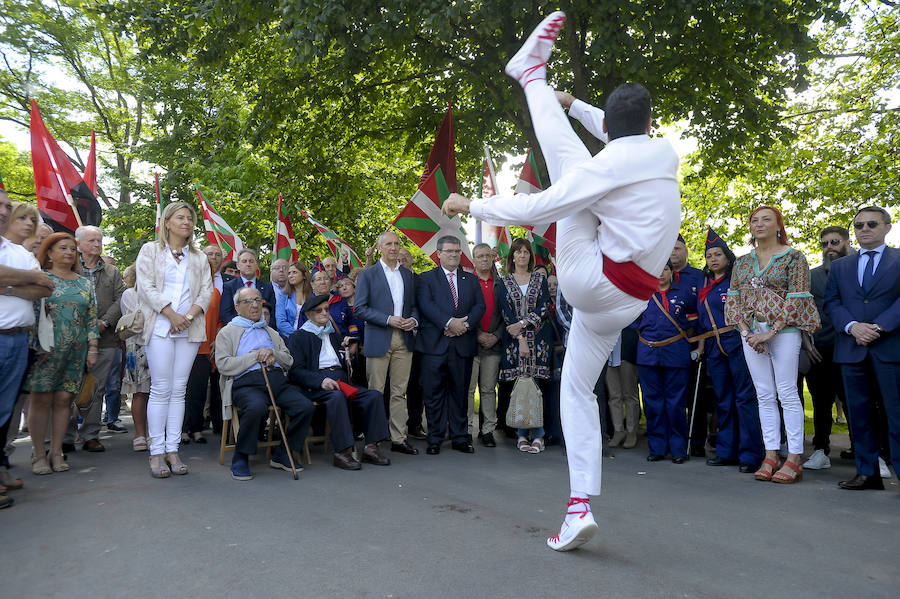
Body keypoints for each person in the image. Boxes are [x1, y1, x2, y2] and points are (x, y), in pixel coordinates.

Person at [441, 11, 681, 550]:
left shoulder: (603, 169)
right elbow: (615, 129)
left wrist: (471, 203)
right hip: (628, 302)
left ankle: (529, 76)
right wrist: (573, 106)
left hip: (590, 284)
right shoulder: (663, 152)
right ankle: (578, 506)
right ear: (648, 123)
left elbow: (541, 204)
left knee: (569, 169)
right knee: (576, 389)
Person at [725, 206, 820, 484]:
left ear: (778, 225)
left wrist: (771, 332)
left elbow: (799, 297)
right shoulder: (742, 262)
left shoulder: (794, 257)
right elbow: (733, 301)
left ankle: (794, 458)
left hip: (785, 330)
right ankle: (770, 454)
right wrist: (748, 333)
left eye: (766, 219)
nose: (759, 224)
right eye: (754, 220)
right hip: (751, 333)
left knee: (787, 392)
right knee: (764, 394)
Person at [136, 201, 213, 478]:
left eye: (190, 219)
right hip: (159, 327)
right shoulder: (150, 251)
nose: (187, 222)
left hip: (188, 329)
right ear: (167, 222)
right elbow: (145, 287)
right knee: (161, 388)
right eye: (180, 218)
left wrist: (188, 317)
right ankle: (156, 453)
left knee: (180, 389)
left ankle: (173, 449)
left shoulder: (199, 257)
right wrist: (171, 314)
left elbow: (206, 291)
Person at [825, 206, 899, 490]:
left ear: (887, 228)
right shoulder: (842, 266)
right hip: (851, 348)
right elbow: (831, 302)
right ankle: (867, 473)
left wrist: (879, 327)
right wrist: (853, 327)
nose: (864, 229)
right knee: (859, 415)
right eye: (859, 225)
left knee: (896, 413)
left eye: (871, 224)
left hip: (889, 347)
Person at [216, 286, 315, 480]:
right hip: (246, 383)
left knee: (305, 406)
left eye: (258, 300)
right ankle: (241, 457)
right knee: (255, 407)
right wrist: (254, 357)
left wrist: (272, 353)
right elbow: (223, 365)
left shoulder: (270, 331)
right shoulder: (227, 332)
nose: (255, 305)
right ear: (237, 307)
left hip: (276, 379)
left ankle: (283, 454)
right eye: (248, 302)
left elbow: (289, 360)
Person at [287, 294, 391, 470]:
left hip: (341, 380)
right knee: (336, 398)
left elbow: (346, 365)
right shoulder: (299, 336)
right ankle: (342, 452)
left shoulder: (334, 334)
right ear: (309, 314)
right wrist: (321, 381)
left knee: (373, 396)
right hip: (317, 384)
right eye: (319, 310)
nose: (324, 313)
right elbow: (296, 371)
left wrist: (348, 357)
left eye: (327, 309)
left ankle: (371, 447)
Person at [25, 233, 99, 474]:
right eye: (62, 248)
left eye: (71, 249)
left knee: (64, 399)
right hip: (46, 350)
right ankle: (38, 454)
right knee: (41, 398)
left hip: (76, 350)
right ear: (48, 253)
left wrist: (93, 348)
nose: (68, 252)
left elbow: (91, 318)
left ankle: (57, 452)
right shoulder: (40, 279)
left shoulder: (84, 283)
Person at [695, 228, 763, 472]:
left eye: (717, 254)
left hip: (738, 343)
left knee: (745, 399)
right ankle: (727, 451)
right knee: (723, 401)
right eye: (709, 255)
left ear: (727, 257)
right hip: (714, 348)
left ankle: (750, 455)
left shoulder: (738, 281)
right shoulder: (704, 285)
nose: (713, 259)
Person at [0, 193, 53, 506]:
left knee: (5, 410)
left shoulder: (15, 252)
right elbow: (34, 282)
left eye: (7, 206)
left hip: (18, 339)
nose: (4, 211)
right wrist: (27, 281)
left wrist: (7, 285)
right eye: (3, 206)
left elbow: (45, 286)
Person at [416, 235, 485, 455]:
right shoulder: (426, 279)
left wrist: (463, 325)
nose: (454, 254)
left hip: (462, 345)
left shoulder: (471, 280)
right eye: (449, 251)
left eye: (457, 251)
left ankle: (460, 437)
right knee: (434, 394)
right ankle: (435, 438)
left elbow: (479, 307)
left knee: (460, 393)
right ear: (439, 254)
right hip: (434, 346)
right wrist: (448, 323)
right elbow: (426, 305)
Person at [354, 231, 420, 456]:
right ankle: (372, 441)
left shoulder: (408, 275)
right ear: (380, 247)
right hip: (379, 337)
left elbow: (414, 306)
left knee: (399, 392)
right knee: (375, 392)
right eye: (389, 244)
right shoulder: (368, 275)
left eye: (397, 244)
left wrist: (414, 319)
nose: (393, 248)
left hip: (404, 339)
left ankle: (398, 439)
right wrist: (387, 319)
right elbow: (359, 308)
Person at [631, 262, 696, 463]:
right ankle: (657, 447)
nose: (661, 273)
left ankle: (678, 449)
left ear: (671, 272)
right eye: (657, 269)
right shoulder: (642, 296)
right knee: (652, 403)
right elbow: (634, 323)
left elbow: (693, 323)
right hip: (648, 355)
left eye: (665, 269)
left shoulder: (685, 293)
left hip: (675, 353)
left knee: (676, 403)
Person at [68, 225, 125, 450]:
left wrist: (104, 323)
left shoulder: (112, 272)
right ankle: (66, 435)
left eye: (99, 240)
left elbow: (121, 299)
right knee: (70, 387)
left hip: (106, 338)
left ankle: (91, 434)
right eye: (91, 240)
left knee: (97, 388)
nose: (97, 244)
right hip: (73, 338)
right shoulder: (69, 266)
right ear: (79, 244)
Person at [495, 238, 553, 454]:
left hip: (539, 341)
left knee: (536, 388)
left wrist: (523, 323)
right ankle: (521, 434)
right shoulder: (504, 281)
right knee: (520, 388)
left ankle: (538, 435)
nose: (522, 256)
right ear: (512, 256)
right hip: (514, 342)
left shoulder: (539, 279)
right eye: (518, 252)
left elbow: (544, 307)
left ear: (530, 256)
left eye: (526, 252)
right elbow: (505, 312)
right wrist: (520, 338)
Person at [803, 225, 851, 470]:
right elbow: (799, 311)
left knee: (855, 403)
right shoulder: (812, 276)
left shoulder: (859, 270)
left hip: (853, 349)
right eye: (824, 244)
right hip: (820, 349)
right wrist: (806, 342)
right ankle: (820, 450)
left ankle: (870, 454)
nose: (829, 247)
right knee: (821, 403)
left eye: (835, 242)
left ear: (846, 241)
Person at [184, 245, 224, 444]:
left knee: (199, 389)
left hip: (206, 346)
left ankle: (197, 428)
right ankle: (182, 430)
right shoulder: (187, 287)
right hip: (186, 342)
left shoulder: (216, 292)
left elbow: (218, 319)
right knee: (183, 389)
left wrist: (218, 335)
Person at [467, 243, 504, 447]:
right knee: (469, 389)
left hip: (494, 345)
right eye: (480, 256)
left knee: (489, 390)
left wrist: (496, 336)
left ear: (492, 259)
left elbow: (505, 315)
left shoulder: (501, 284)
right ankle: (467, 429)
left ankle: (488, 430)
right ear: (474, 259)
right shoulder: (468, 282)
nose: (484, 259)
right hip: (472, 343)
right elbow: (462, 311)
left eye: (487, 256)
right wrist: (478, 334)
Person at [120, 264, 151, 451]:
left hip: (159, 345)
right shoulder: (129, 294)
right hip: (137, 346)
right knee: (139, 391)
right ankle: (140, 434)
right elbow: (140, 319)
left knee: (156, 392)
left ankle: (152, 433)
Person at [220, 249, 276, 327]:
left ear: (256, 265)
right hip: (238, 332)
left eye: (251, 261)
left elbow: (272, 314)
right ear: (238, 266)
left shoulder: (267, 287)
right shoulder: (228, 287)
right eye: (244, 261)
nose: (248, 264)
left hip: (262, 331)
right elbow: (225, 314)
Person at [606, 328, 641, 449]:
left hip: (627, 347)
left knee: (630, 394)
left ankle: (632, 432)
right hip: (609, 350)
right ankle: (618, 430)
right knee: (614, 395)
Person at [275, 261, 312, 338]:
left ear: (304, 275)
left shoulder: (312, 294)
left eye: (294, 272)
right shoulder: (283, 295)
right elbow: (280, 322)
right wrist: (297, 335)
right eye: (289, 273)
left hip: (310, 336)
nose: (290, 276)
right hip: (288, 337)